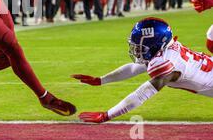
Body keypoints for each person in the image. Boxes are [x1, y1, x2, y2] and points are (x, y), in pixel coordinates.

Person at [72, 17, 213, 123]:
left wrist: (106, 115)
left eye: (140, 46)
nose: (137, 50)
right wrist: (101, 80)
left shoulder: (166, 62)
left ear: (155, 43)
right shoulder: (166, 50)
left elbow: (141, 94)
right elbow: (134, 68)